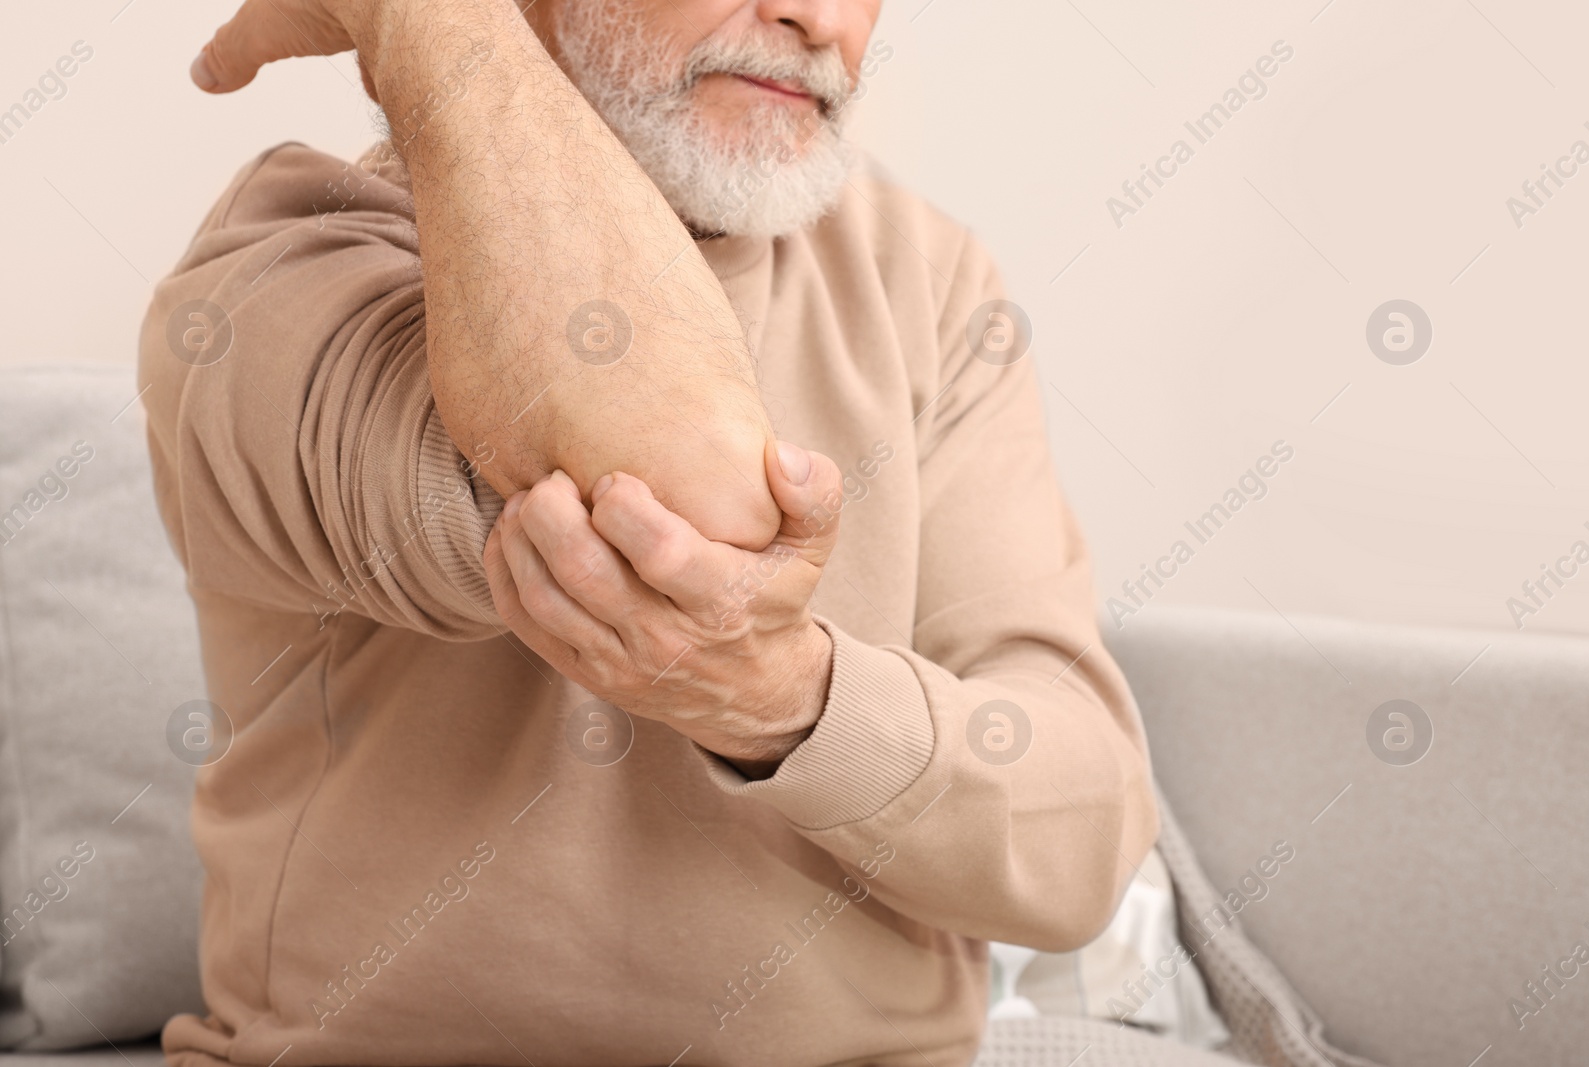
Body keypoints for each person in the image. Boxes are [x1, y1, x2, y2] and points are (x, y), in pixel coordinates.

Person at [140, 0, 1159, 1063]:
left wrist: (791, 703)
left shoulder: (927, 278)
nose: (814, 16)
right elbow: (686, 496)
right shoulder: (283, 266)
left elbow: (1081, 839)